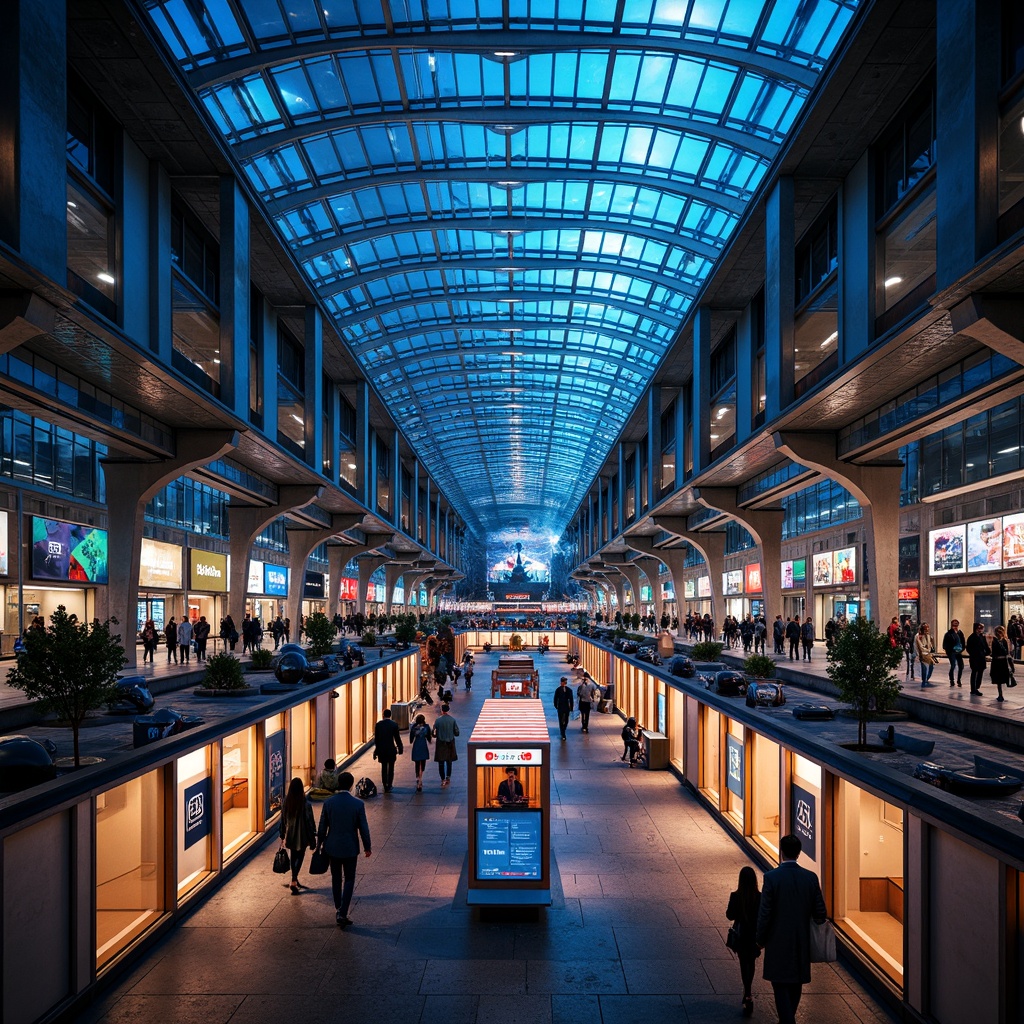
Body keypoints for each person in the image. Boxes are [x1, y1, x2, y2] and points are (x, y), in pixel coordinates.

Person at [755, 834, 827, 1024]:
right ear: (799, 852)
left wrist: (760, 939)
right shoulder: (810, 878)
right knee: (796, 982)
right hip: (801, 940)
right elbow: (821, 913)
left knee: (779, 983)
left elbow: (765, 913)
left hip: (777, 940)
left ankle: (787, 1021)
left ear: (781, 852)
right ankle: (789, 1018)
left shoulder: (771, 878)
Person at [315, 771, 371, 928]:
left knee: (336, 878)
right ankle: (343, 911)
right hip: (350, 847)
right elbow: (364, 828)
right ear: (351, 785)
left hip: (332, 846)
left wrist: (319, 845)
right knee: (350, 878)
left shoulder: (329, 803)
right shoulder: (358, 804)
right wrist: (367, 846)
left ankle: (338, 907)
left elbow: (322, 828)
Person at [726, 865, 762, 1017]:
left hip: (741, 936)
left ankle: (747, 991)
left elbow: (730, 915)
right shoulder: (759, 897)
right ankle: (748, 991)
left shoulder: (736, 896)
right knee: (751, 962)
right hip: (754, 936)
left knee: (743, 963)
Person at [278, 777, 317, 895]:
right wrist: (313, 837)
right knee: (300, 856)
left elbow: (283, 819)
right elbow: (310, 822)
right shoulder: (305, 804)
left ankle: (294, 878)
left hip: (290, 833)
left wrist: (282, 833)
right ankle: (294, 879)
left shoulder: (287, 802)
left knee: (293, 855)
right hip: (302, 834)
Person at [372, 708, 404, 793]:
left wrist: (376, 751)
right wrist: (400, 747)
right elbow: (397, 738)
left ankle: (384, 784)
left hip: (382, 749)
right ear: (390, 715)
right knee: (391, 767)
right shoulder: (394, 725)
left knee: (384, 767)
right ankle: (389, 784)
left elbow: (377, 740)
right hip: (391, 749)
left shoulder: (378, 725)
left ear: (383, 715)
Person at [432, 703, 460, 787]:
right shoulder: (452, 720)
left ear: (442, 710)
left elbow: (433, 732)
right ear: (448, 710)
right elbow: (457, 733)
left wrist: (437, 735)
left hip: (440, 743)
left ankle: (442, 778)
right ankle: (448, 777)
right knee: (449, 762)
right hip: (450, 743)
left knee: (441, 762)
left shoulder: (438, 720)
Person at [991, 624, 1015, 703]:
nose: (999, 633)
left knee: (1003, 677)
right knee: (998, 680)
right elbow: (993, 652)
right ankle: (1000, 694)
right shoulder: (994, 641)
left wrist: (1011, 664)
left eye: (1001, 632)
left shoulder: (1005, 641)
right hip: (997, 661)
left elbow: (1007, 653)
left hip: (1003, 661)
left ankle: (1001, 693)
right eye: (998, 632)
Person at [965, 622, 990, 695]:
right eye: (978, 628)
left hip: (981, 657)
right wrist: (973, 654)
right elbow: (968, 648)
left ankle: (977, 686)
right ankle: (973, 689)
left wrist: (987, 652)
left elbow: (985, 646)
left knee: (980, 672)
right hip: (974, 658)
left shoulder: (982, 637)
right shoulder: (972, 637)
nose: (980, 630)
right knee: (974, 672)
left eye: (981, 628)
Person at [409, 713, 432, 792]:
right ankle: (420, 777)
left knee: (417, 763)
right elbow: (429, 736)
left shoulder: (414, 728)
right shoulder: (426, 727)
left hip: (416, 745)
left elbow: (411, 739)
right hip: (423, 744)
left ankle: (417, 777)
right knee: (423, 762)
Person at [941, 619, 966, 687]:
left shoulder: (960, 633)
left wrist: (961, 649)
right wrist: (949, 650)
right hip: (951, 651)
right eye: (954, 625)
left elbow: (963, 642)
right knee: (953, 665)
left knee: (961, 666)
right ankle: (952, 680)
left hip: (958, 651)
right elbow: (945, 644)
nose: (955, 626)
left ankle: (959, 680)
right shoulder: (949, 634)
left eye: (956, 624)